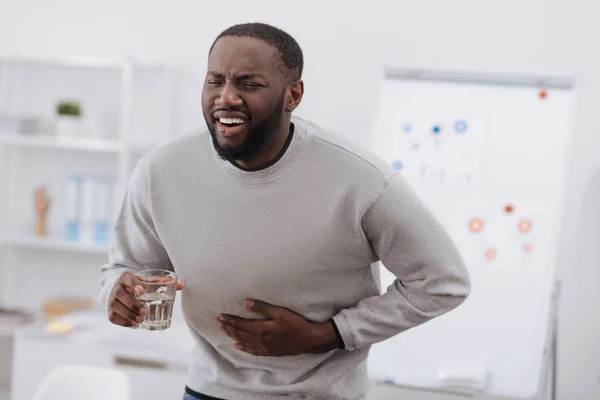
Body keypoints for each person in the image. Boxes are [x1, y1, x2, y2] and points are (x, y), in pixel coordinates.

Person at [100, 22, 471, 400]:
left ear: (293, 94)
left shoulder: (360, 180)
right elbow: (125, 266)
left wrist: (330, 334)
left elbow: (442, 281)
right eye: (215, 80)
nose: (226, 97)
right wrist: (117, 294)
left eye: (249, 83)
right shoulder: (161, 170)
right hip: (206, 389)